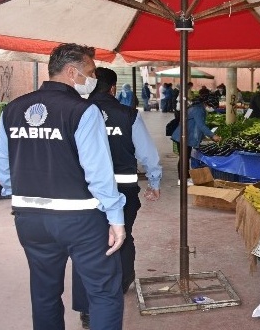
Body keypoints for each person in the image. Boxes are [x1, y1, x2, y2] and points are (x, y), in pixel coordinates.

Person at [0, 43, 126, 330]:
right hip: (80, 220)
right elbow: (99, 173)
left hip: (30, 219)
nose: (92, 79)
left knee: (44, 293)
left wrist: (28, 198)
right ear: (71, 72)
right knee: (104, 292)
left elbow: (3, 171)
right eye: (89, 72)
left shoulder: (12, 110)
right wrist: (116, 218)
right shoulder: (82, 111)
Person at [70, 67, 162, 328]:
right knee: (123, 235)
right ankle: (121, 283)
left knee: (87, 244)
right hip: (124, 190)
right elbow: (148, 154)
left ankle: (88, 308)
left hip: (86, 192)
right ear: (112, 88)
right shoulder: (128, 114)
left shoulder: (76, 112)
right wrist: (154, 182)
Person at [171, 92, 222, 183]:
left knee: (185, 158)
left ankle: (185, 178)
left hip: (186, 136)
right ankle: (182, 179)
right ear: (206, 104)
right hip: (183, 137)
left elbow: (197, 127)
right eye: (212, 106)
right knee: (184, 159)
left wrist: (204, 137)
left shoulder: (199, 108)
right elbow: (201, 125)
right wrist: (212, 135)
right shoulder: (198, 110)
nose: (212, 109)